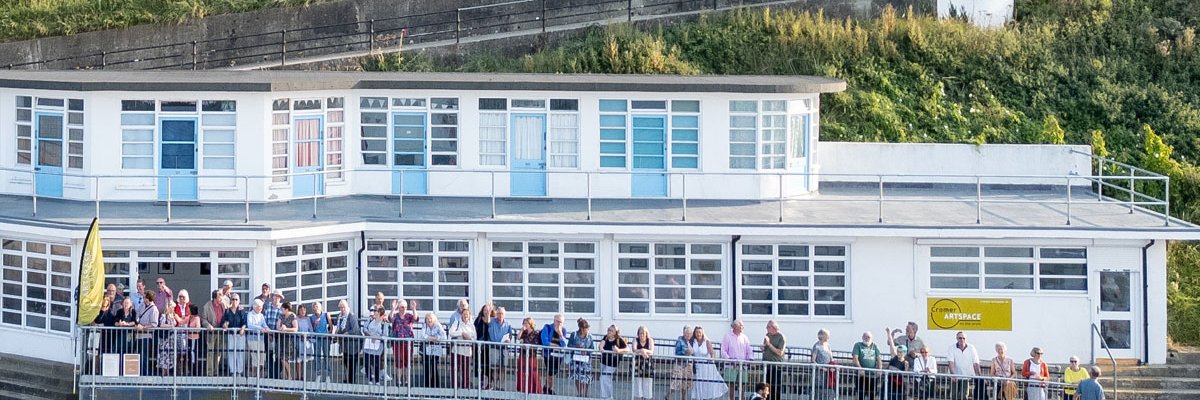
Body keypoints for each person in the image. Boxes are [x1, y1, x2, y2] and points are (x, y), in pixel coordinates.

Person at [689, 326, 727, 400]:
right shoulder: (693, 342)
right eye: (697, 332)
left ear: (702, 333)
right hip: (698, 366)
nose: (698, 334)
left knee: (707, 383)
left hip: (707, 366)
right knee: (699, 382)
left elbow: (712, 353)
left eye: (700, 332)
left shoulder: (706, 342)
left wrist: (712, 360)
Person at [721, 320, 753, 400]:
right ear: (735, 327)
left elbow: (749, 349)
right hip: (731, 365)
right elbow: (723, 350)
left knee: (743, 385)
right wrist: (729, 359)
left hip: (743, 365)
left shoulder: (744, 337)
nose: (742, 327)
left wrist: (750, 359)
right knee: (731, 384)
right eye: (741, 326)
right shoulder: (727, 336)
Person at [947, 331, 984, 400]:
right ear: (957, 338)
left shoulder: (971, 347)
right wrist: (953, 375)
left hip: (966, 376)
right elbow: (951, 362)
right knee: (953, 395)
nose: (962, 340)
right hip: (955, 375)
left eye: (964, 338)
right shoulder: (951, 348)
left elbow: (976, 362)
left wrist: (979, 375)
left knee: (964, 395)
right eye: (960, 338)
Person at [391, 299, 418, 386]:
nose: (404, 309)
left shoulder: (409, 316)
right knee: (399, 361)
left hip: (408, 342)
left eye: (406, 307)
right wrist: (393, 308)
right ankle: (399, 380)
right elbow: (390, 319)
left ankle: (407, 380)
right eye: (402, 307)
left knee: (408, 361)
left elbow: (415, 319)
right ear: (398, 307)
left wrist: (414, 309)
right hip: (398, 342)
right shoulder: (395, 315)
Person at [540, 313, 568, 395]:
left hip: (558, 355)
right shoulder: (547, 327)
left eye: (561, 322)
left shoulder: (563, 330)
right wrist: (555, 345)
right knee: (551, 372)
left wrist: (561, 335)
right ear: (554, 320)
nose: (559, 323)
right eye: (557, 321)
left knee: (553, 372)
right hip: (548, 354)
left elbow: (564, 345)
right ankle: (551, 388)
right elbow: (545, 342)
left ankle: (546, 387)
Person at [449, 306, 476, 388]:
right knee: (455, 369)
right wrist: (461, 333)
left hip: (467, 351)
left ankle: (465, 386)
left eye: (467, 314)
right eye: (464, 314)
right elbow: (451, 332)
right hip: (456, 350)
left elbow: (475, 338)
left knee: (466, 370)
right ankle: (454, 386)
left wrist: (469, 338)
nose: (465, 315)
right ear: (461, 315)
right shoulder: (457, 322)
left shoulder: (472, 325)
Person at [598, 324, 629, 399]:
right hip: (603, 361)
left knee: (604, 377)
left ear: (615, 333)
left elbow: (627, 349)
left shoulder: (619, 339)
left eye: (611, 330)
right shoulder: (605, 337)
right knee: (606, 379)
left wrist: (619, 350)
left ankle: (607, 396)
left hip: (612, 363)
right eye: (608, 330)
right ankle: (606, 396)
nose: (609, 332)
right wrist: (601, 348)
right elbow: (601, 345)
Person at [335, 299, 362, 384]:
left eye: (343, 307)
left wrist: (346, 333)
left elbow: (355, 329)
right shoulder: (339, 317)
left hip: (353, 344)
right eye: (341, 307)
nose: (342, 309)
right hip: (345, 344)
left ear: (347, 307)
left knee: (352, 363)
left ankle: (352, 381)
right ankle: (348, 378)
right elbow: (339, 328)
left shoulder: (351, 316)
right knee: (346, 362)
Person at [200, 289, 226, 376]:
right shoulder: (207, 306)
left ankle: (216, 371)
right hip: (210, 333)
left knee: (218, 352)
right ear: (215, 298)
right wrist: (208, 325)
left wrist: (225, 324)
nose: (221, 298)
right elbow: (203, 319)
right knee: (210, 352)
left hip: (220, 332)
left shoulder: (223, 305)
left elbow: (226, 317)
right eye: (220, 296)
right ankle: (210, 372)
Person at [157, 299, 186, 376]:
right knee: (164, 356)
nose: (173, 309)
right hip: (165, 339)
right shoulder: (164, 315)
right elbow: (161, 325)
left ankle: (169, 372)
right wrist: (170, 326)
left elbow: (180, 321)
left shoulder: (173, 315)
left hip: (171, 339)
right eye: (172, 307)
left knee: (171, 356)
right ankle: (164, 373)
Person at [221, 294, 247, 377]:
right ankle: (233, 371)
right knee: (231, 352)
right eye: (233, 299)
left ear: (239, 301)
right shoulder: (227, 311)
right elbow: (223, 322)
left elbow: (245, 322)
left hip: (240, 335)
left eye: (236, 299)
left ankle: (239, 371)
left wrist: (243, 328)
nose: (234, 301)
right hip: (231, 334)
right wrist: (225, 324)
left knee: (240, 352)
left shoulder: (241, 310)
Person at [488, 306, 513, 390]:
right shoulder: (492, 322)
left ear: (504, 314)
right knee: (494, 368)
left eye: (502, 313)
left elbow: (510, 335)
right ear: (496, 314)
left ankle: (501, 387)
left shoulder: (508, 323)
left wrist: (508, 340)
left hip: (504, 348)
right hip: (494, 348)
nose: (500, 315)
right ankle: (495, 386)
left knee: (503, 368)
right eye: (498, 313)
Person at [567, 318, 594, 397]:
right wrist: (576, 347)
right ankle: (580, 393)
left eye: (588, 328)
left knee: (586, 377)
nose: (587, 330)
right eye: (586, 329)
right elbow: (569, 345)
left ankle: (585, 394)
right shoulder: (574, 335)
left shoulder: (590, 337)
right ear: (581, 329)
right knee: (577, 376)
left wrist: (586, 351)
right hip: (576, 359)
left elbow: (592, 348)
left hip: (586, 360)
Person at [852, 330, 881, 400]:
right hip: (861, 375)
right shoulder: (858, 345)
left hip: (872, 375)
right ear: (862, 337)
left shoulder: (874, 346)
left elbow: (879, 359)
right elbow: (855, 358)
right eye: (865, 337)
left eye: (869, 337)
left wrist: (879, 370)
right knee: (861, 394)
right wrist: (860, 368)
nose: (867, 338)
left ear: (871, 338)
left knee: (872, 395)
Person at [668, 326, 695, 400]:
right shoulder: (680, 341)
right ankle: (668, 396)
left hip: (688, 365)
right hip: (679, 364)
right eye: (687, 333)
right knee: (676, 382)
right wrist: (685, 352)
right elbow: (677, 352)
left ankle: (684, 398)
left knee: (685, 384)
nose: (688, 335)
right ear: (683, 333)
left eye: (690, 333)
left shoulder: (691, 341)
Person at [516, 317, 542, 394]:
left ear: (530, 324)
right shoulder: (524, 333)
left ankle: (534, 390)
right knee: (522, 372)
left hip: (531, 356)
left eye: (526, 323)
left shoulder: (535, 333)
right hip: (523, 354)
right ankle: (522, 389)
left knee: (532, 373)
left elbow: (536, 344)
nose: (524, 325)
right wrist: (521, 330)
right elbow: (518, 338)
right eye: (523, 323)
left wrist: (527, 346)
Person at [421, 312, 447, 388]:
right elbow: (423, 335)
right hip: (426, 348)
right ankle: (426, 385)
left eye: (431, 318)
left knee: (434, 366)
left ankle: (435, 385)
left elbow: (444, 336)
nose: (429, 320)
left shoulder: (438, 325)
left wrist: (436, 338)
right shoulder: (424, 326)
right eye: (427, 318)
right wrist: (432, 338)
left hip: (436, 349)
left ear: (434, 319)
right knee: (427, 366)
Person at [309, 301, 333, 383]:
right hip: (317, 338)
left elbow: (331, 325)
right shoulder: (312, 317)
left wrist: (330, 334)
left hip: (325, 338)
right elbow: (312, 329)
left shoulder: (326, 315)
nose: (316, 308)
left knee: (327, 356)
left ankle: (327, 376)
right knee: (317, 356)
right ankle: (318, 375)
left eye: (317, 307)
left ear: (320, 307)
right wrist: (315, 324)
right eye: (314, 307)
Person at [363, 306, 388, 385]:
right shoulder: (370, 320)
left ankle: (377, 380)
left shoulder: (384, 324)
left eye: (376, 312)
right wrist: (370, 335)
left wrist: (377, 337)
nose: (374, 313)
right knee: (367, 362)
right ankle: (369, 379)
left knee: (376, 363)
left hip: (377, 346)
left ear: (380, 314)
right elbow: (364, 328)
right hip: (368, 344)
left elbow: (385, 335)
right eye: (374, 311)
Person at [263, 290, 283, 379]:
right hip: (268, 334)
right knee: (269, 355)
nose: (277, 298)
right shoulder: (267, 306)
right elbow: (264, 321)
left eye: (279, 297)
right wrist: (269, 333)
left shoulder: (282, 308)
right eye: (275, 296)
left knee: (279, 355)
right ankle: (270, 375)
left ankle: (277, 374)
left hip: (279, 336)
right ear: (273, 297)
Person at [473, 303, 494, 389]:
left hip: (489, 346)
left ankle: (490, 383)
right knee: (479, 365)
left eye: (488, 310)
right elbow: (474, 330)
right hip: (479, 346)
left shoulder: (493, 320)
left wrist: (488, 316)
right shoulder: (478, 319)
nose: (486, 312)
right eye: (485, 310)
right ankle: (481, 382)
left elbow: (489, 325)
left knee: (489, 366)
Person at [812, 329, 837, 400]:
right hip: (819, 373)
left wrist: (833, 366)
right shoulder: (816, 346)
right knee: (819, 390)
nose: (828, 337)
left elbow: (831, 358)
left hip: (828, 372)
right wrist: (821, 368)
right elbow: (813, 360)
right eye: (827, 335)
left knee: (828, 389)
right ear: (822, 336)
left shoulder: (828, 345)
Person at [884, 330, 909, 400]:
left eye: (901, 352)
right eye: (898, 351)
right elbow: (891, 344)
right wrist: (889, 333)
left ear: (904, 353)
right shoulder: (894, 357)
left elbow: (906, 374)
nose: (899, 353)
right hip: (890, 380)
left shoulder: (906, 363)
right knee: (888, 396)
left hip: (899, 383)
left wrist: (905, 369)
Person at [246, 299, 268, 378]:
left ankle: (259, 376)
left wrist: (267, 329)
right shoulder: (250, 314)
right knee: (255, 358)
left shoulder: (261, 315)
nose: (260, 308)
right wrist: (259, 328)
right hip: (252, 339)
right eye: (259, 306)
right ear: (254, 307)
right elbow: (250, 325)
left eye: (261, 306)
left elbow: (264, 325)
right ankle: (253, 376)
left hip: (260, 339)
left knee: (262, 358)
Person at [276, 302, 298, 380]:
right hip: (281, 339)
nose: (281, 310)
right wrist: (280, 328)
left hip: (288, 341)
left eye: (282, 309)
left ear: (286, 309)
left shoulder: (293, 316)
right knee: (282, 358)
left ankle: (289, 376)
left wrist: (286, 329)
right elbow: (277, 326)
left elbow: (295, 329)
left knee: (284, 358)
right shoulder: (281, 316)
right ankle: (286, 376)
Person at [632, 326, 654, 400]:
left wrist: (644, 351)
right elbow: (634, 350)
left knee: (647, 383)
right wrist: (642, 351)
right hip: (637, 364)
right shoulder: (635, 340)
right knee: (638, 383)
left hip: (648, 364)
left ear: (646, 334)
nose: (642, 335)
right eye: (640, 333)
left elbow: (651, 351)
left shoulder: (650, 340)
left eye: (643, 333)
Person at [293, 304, 313, 380]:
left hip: (306, 341)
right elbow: (295, 329)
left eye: (304, 310)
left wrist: (309, 337)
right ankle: (298, 377)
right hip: (298, 341)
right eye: (301, 310)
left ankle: (302, 376)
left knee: (304, 359)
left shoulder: (308, 319)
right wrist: (299, 335)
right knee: (298, 359)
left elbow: (311, 330)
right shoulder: (296, 319)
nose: (303, 311)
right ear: (298, 311)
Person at [183, 303, 202, 375]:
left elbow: (198, 329)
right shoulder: (189, 317)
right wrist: (175, 315)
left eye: (189, 309)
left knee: (192, 353)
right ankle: (190, 368)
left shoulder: (197, 318)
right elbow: (181, 321)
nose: (188, 310)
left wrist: (190, 329)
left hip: (194, 338)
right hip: (188, 338)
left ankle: (194, 370)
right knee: (189, 353)